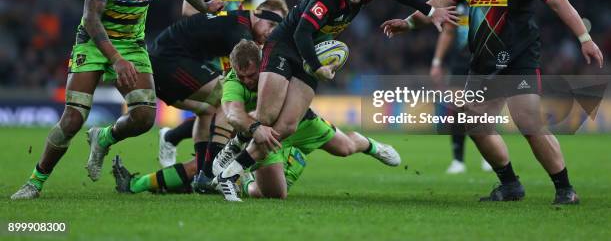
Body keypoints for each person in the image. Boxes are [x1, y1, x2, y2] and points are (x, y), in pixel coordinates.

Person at [382, 0, 604, 204]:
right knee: (470, 120)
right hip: (483, 62)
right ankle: (510, 185)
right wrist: (408, 23)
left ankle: (565, 189)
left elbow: (559, 3)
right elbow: (439, 4)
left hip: (518, 60)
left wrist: (584, 38)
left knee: (527, 121)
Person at [11, 0, 224, 200]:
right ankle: (35, 181)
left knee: (144, 117)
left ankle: (104, 137)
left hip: (132, 42)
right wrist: (117, 60)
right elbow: (91, 17)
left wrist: (202, 5)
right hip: (95, 41)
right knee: (73, 118)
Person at [213, 0, 458, 201]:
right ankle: (232, 152)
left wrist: (430, 12)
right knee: (266, 116)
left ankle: (230, 173)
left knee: (286, 126)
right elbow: (301, 33)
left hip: (311, 52)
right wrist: (317, 67)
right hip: (284, 48)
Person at [111, 40, 400, 199]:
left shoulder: (277, 67)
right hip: (260, 138)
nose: (249, 81)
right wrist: (255, 127)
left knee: (346, 148)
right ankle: (247, 177)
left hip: (301, 123)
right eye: (243, 75)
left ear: (261, 63)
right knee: (273, 195)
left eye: (252, 75)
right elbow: (233, 112)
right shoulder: (234, 81)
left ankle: (370, 145)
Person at [148, 0, 288, 184]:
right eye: (270, 24)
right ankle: (207, 174)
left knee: (209, 111)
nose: (271, 32)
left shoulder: (238, 23)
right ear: (257, 14)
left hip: (170, 60)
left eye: (276, 28)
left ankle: (188, 157)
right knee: (228, 99)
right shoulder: (240, 32)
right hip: (168, 60)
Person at [159, 0, 250, 167]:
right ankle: (189, 149)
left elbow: (236, 8)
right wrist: (222, 19)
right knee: (226, 104)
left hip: (227, 46)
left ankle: (199, 158)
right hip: (207, 46)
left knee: (225, 106)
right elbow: (188, 9)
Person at [429, 3, 492, 174]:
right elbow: (448, 32)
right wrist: (437, 62)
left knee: (482, 111)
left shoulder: (490, 2)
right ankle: (458, 160)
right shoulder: (458, 5)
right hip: (460, 64)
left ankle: (489, 157)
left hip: (484, 63)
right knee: (456, 110)